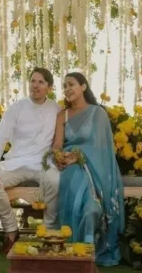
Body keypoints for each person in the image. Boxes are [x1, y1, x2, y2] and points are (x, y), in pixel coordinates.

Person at [0, 67, 61, 253]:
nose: (35, 85)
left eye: (41, 82)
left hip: (44, 163)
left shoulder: (56, 109)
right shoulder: (16, 108)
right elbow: (0, 138)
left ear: (49, 87)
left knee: (56, 181)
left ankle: (50, 234)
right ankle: (11, 229)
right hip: (16, 162)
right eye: (33, 81)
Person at [52, 72, 124, 266]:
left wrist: (79, 156)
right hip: (70, 167)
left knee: (92, 209)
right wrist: (58, 156)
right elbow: (57, 144)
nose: (67, 89)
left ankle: (88, 251)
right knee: (76, 203)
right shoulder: (62, 115)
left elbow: (103, 148)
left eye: (71, 84)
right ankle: (74, 251)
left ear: (83, 86)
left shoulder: (97, 113)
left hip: (94, 166)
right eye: (64, 86)